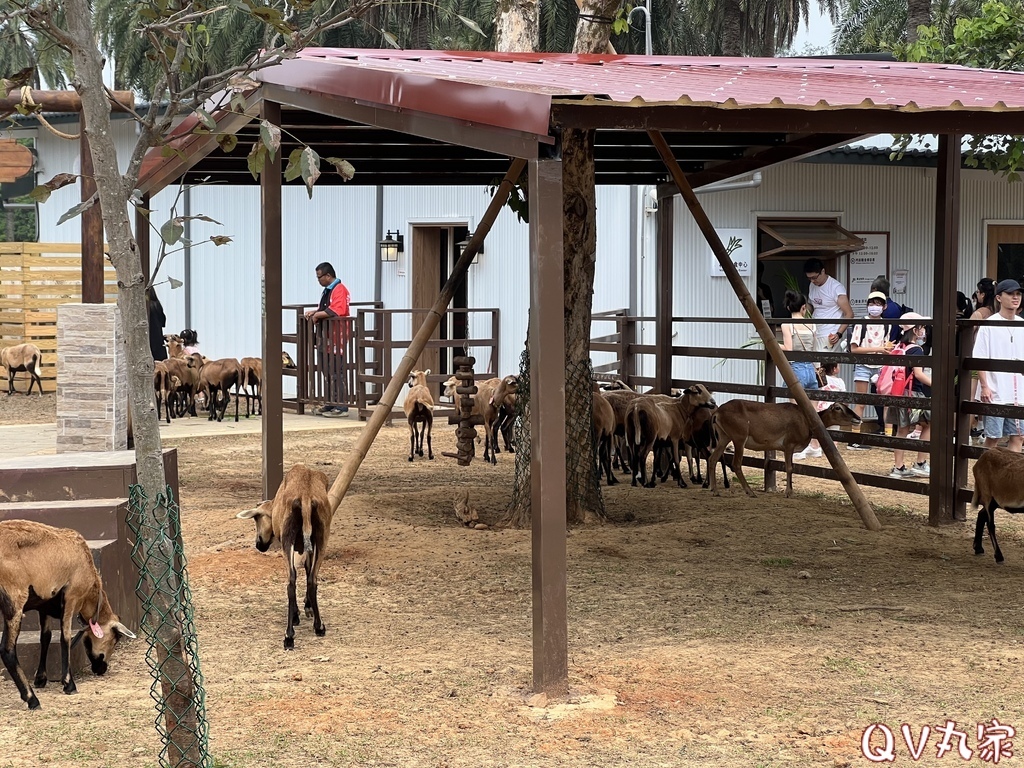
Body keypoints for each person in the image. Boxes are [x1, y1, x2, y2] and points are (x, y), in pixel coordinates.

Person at [974, 278, 1024, 452]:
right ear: (998, 298)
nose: (1015, 297)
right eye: (1010, 294)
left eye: (1018, 294)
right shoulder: (989, 325)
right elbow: (979, 357)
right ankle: (987, 475)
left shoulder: (1022, 325)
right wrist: (985, 386)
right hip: (996, 390)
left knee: (1018, 437)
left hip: (1019, 393)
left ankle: (1010, 477)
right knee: (993, 437)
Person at [885, 313, 932, 478]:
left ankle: (899, 467)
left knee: (902, 430)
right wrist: (937, 384)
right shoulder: (916, 349)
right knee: (928, 424)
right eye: (922, 327)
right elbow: (918, 374)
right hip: (913, 393)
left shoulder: (899, 346)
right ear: (915, 329)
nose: (924, 330)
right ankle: (920, 463)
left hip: (898, 392)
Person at [848, 290, 894, 448]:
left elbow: (887, 347)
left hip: (881, 366)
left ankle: (888, 439)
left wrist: (885, 350)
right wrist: (879, 349)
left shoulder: (887, 325)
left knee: (887, 402)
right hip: (863, 365)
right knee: (861, 402)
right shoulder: (861, 324)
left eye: (878, 304)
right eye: (872, 304)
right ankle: (854, 439)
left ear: (884, 307)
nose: (874, 307)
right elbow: (854, 349)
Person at [305, 262, 351, 416]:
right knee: (327, 370)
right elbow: (325, 309)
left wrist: (317, 315)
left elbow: (337, 310)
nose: (318, 280)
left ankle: (341, 405)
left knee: (336, 370)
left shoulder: (339, 289)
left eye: (320, 277)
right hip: (327, 337)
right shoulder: (328, 291)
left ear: (328, 276)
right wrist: (315, 312)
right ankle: (331, 402)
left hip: (337, 336)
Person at [780, 290, 821, 460]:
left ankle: (800, 447)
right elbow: (814, 348)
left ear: (789, 307)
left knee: (795, 412)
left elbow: (789, 349)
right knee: (812, 411)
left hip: (796, 369)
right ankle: (815, 446)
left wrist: (773, 344)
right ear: (804, 307)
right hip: (810, 369)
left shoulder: (786, 325)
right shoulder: (812, 325)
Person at [804, 257, 853, 357]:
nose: (812, 281)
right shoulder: (812, 285)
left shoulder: (836, 287)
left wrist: (838, 334)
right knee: (815, 365)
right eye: (809, 278)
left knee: (825, 366)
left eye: (814, 277)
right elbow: (812, 307)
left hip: (830, 333)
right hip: (815, 331)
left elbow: (849, 314)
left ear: (822, 271)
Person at [146, 287, 168, 361]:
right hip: (159, 341)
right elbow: (163, 322)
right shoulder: (158, 305)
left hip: (150, 341)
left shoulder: (147, 307)